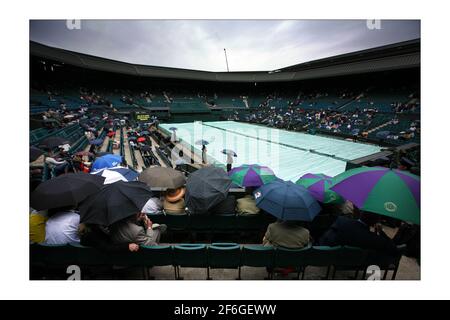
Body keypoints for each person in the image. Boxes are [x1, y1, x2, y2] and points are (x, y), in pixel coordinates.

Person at [318, 212, 398, 255]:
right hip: (351, 262)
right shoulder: (372, 238)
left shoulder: (341, 221)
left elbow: (326, 238)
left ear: (361, 214)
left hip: (331, 256)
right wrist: (381, 232)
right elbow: (392, 247)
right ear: (375, 223)